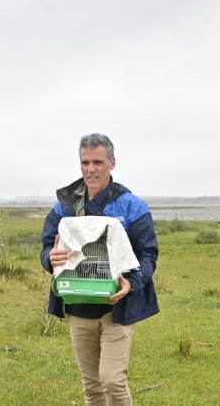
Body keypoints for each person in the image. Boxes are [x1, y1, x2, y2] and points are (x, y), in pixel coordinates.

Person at [40, 133, 159, 406]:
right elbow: (47, 248)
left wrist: (132, 282)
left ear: (112, 163)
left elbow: (148, 254)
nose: (91, 169)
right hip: (77, 306)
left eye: (97, 162)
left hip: (116, 307)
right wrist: (51, 258)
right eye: (85, 162)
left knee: (112, 380)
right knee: (92, 387)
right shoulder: (64, 207)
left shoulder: (132, 206)